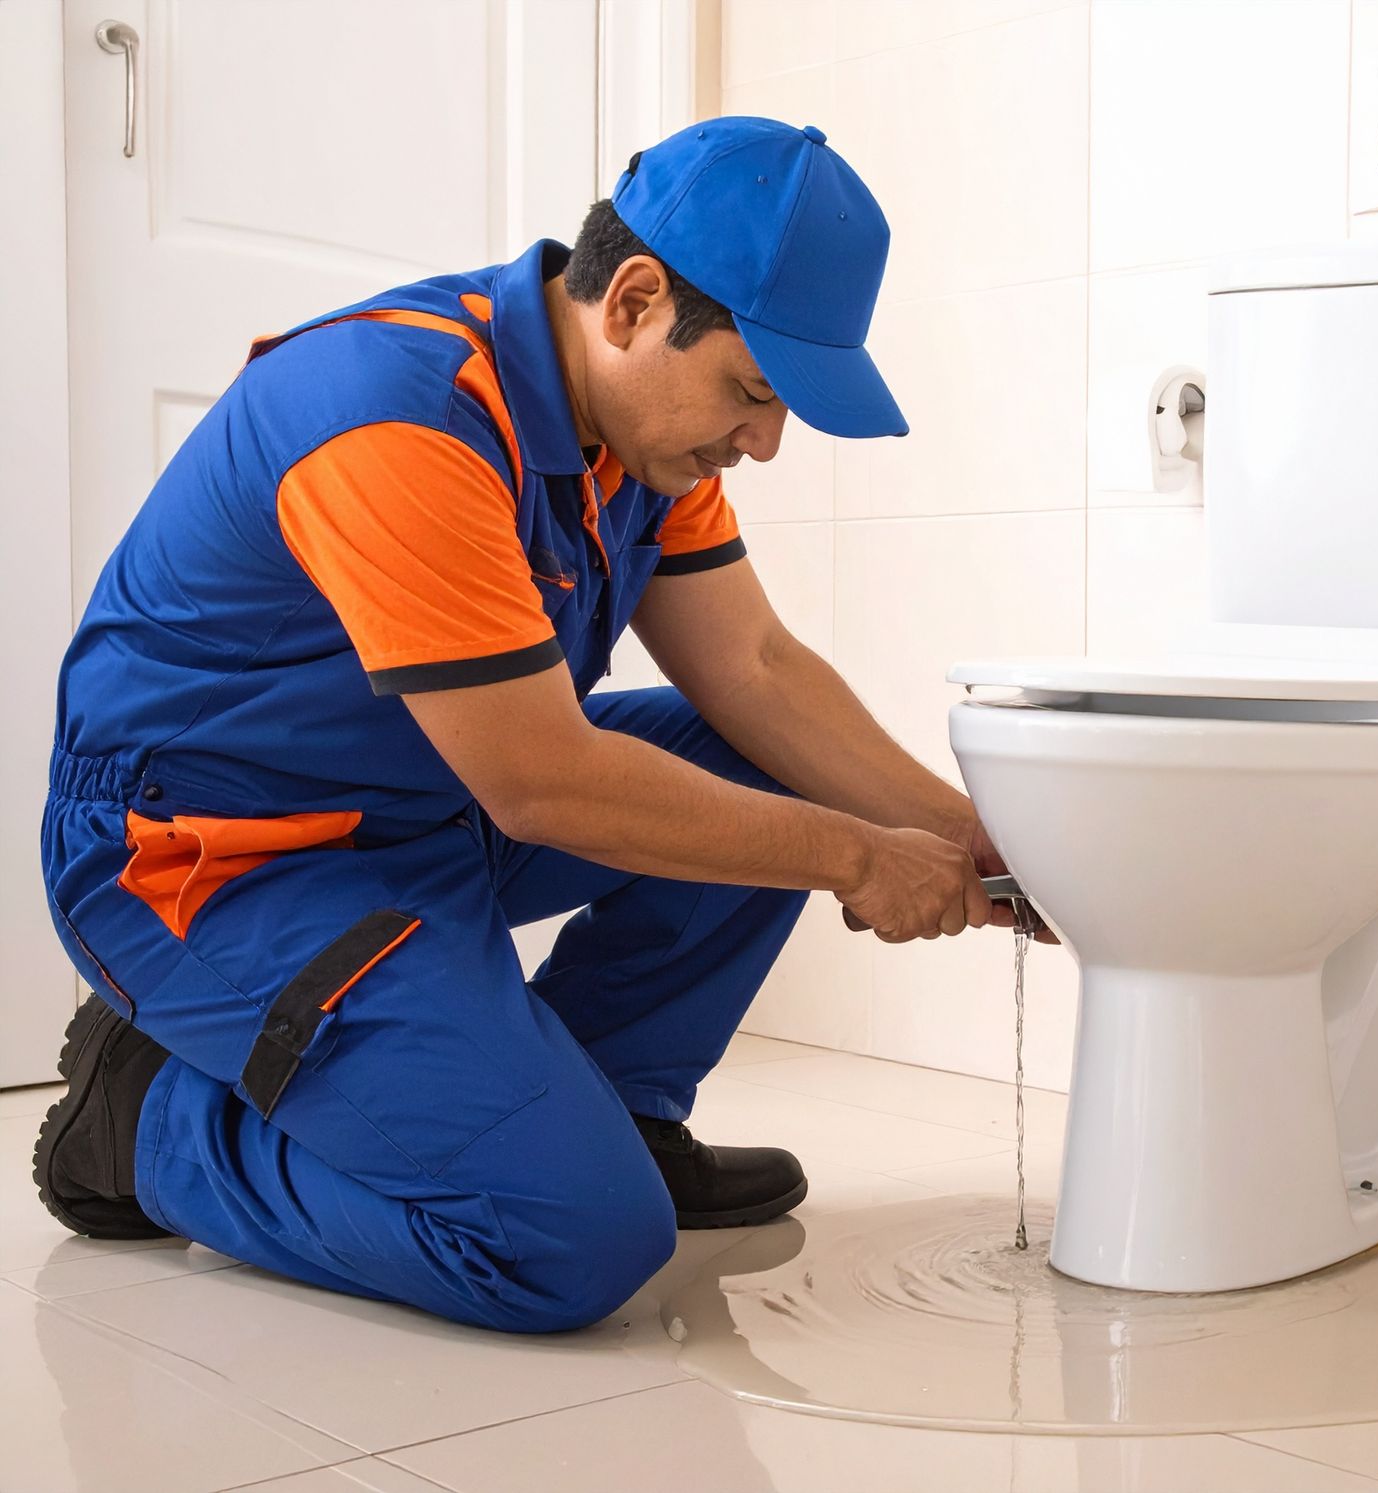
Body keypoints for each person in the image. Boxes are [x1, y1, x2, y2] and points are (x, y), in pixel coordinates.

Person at [34, 116, 1039, 1334]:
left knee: (748, 754)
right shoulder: (396, 418)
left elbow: (759, 672)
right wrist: (859, 854)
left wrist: (986, 839)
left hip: (420, 809)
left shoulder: (640, 439)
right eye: (753, 390)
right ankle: (145, 1119)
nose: (765, 442)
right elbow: (544, 785)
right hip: (217, 857)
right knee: (570, 1240)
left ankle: (612, 1113)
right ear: (632, 302)